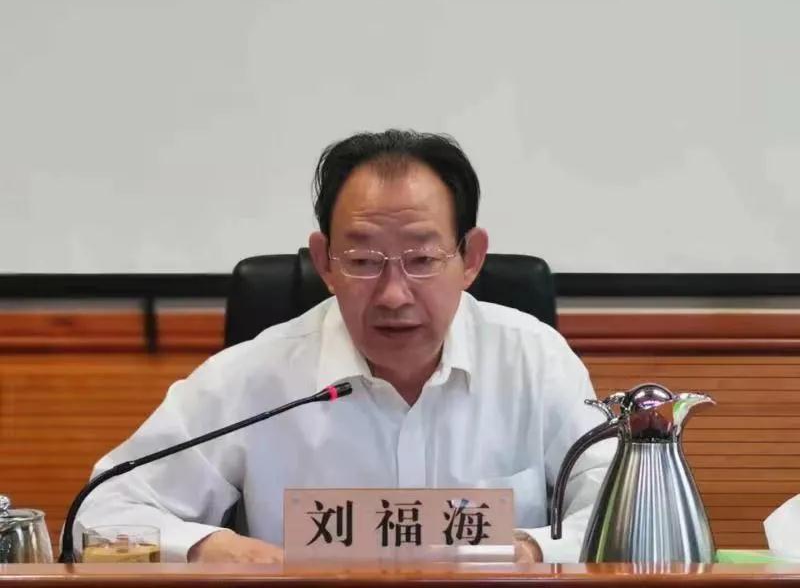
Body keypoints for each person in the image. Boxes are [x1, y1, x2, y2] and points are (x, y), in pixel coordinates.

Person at [75, 129, 612, 563]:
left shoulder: (534, 362)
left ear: (470, 258)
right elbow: (98, 515)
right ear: (325, 262)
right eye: (362, 261)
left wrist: (531, 549)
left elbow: (625, 515)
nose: (394, 295)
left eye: (422, 260)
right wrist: (208, 547)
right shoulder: (255, 376)